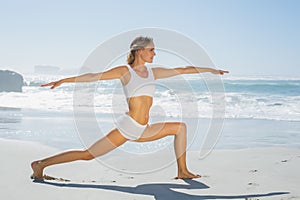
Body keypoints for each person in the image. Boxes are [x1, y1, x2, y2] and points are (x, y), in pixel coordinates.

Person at [31, 36, 229, 180]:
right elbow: (93, 77)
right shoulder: (125, 72)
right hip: (129, 127)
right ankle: (41, 164)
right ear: (139, 51)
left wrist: (211, 70)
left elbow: (184, 70)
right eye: (151, 49)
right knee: (88, 154)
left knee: (180, 128)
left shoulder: (154, 72)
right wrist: (64, 80)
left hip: (144, 128)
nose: (154, 53)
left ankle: (182, 171)